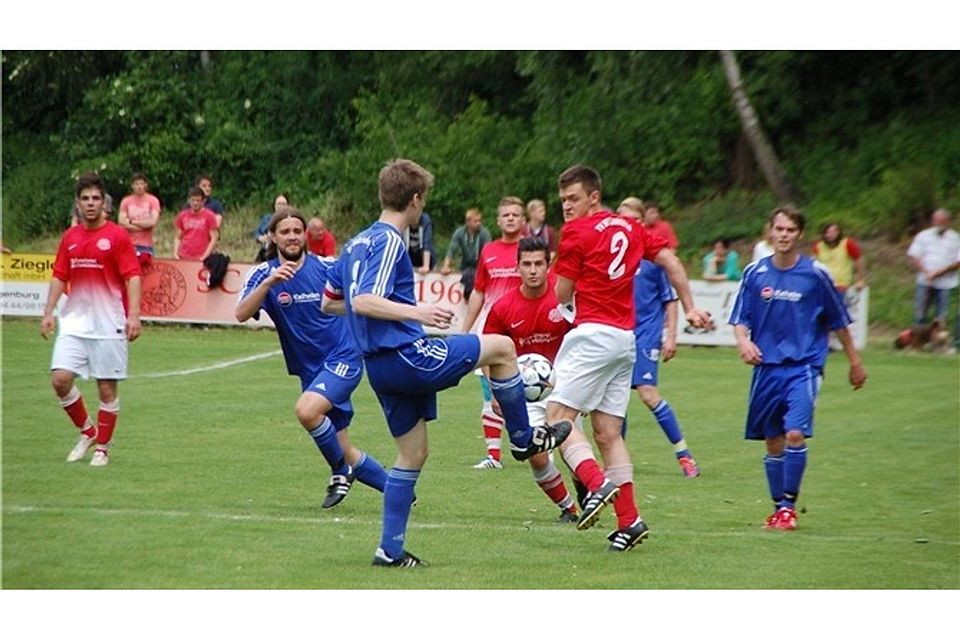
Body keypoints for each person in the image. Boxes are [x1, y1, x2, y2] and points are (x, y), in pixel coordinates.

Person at [321, 159, 571, 568]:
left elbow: (331, 302)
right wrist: (416, 313)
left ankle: (390, 550)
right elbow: (364, 299)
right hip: (406, 357)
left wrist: (381, 315)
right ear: (415, 199)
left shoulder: (355, 244)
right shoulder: (387, 241)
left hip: (380, 368)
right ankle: (524, 439)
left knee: (413, 453)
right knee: (503, 347)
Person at [547, 164, 710, 551]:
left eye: (573, 199)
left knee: (557, 420)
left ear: (594, 197)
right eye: (563, 201)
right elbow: (670, 259)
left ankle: (596, 484)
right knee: (607, 433)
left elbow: (562, 292)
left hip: (593, 335)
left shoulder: (576, 232)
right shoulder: (631, 227)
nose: (567, 207)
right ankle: (630, 521)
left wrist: (564, 299)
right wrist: (689, 307)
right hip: (624, 340)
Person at [236, 207, 388, 509]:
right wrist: (268, 285)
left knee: (306, 412)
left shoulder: (328, 267)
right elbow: (241, 314)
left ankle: (339, 473)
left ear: (304, 235)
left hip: (344, 357)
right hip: (310, 370)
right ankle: (399, 492)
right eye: (285, 232)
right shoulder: (263, 274)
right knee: (343, 447)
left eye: (297, 231)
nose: (292, 237)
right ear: (273, 237)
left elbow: (362, 296)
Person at [729, 205, 867, 531]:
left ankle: (789, 508)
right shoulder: (755, 273)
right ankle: (779, 508)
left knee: (794, 433)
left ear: (800, 234)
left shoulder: (815, 275)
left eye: (791, 230)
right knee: (773, 440)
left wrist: (855, 362)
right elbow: (740, 319)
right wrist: (743, 343)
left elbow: (839, 322)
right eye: (779, 229)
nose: (784, 235)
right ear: (770, 231)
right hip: (766, 368)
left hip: (804, 367)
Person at [40, 172, 142, 467]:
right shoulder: (70, 237)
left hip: (109, 323)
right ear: (77, 203)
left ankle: (103, 449)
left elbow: (133, 276)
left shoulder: (117, 236)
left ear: (103, 202)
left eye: (95, 198)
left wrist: (134, 316)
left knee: (106, 389)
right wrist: (48, 312)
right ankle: (88, 432)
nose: (90, 203)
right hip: (74, 323)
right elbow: (60, 275)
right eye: (85, 199)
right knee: (60, 380)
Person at [483, 236, 579, 522]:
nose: (533, 270)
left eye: (539, 263)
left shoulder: (564, 300)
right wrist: (495, 393)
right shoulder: (503, 307)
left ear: (549, 265)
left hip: (566, 385)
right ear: (518, 267)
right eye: (527, 264)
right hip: (524, 393)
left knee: (571, 448)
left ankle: (585, 483)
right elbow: (489, 352)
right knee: (533, 453)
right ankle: (568, 508)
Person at [619, 202, 700, 477]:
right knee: (615, 399)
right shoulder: (612, 257)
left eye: (633, 220)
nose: (628, 225)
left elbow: (670, 300)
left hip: (646, 335)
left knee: (648, 394)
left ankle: (684, 455)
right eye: (623, 219)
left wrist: (671, 337)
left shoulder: (653, 259)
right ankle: (619, 458)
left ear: (642, 223)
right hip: (618, 336)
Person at [460, 196, 526, 470]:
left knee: (532, 389)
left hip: (524, 329)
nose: (510, 218)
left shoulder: (530, 251)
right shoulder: (489, 250)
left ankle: (538, 444)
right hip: (493, 330)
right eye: (505, 215)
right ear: (498, 221)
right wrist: (465, 330)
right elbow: (479, 291)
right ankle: (493, 456)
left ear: (523, 220)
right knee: (491, 393)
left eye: (515, 214)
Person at [907, 209, 959, 338]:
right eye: (935, 220)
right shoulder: (923, 235)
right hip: (925, 281)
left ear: (948, 222)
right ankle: (917, 341)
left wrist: (938, 273)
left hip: (946, 283)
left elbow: (958, 261)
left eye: (941, 221)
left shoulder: (955, 238)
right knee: (920, 313)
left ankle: (939, 342)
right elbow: (914, 256)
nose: (938, 223)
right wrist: (927, 273)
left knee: (941, 315)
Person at [440, 207, 491, 301]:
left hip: (480, 266)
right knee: (466, 277)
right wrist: (445, 266)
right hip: (465, 265)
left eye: (480, 221)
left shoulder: (484, 233)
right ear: (468, 222)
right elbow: (451, 250)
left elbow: (488, 253)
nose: (478, 223)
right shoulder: (460, 233)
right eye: (475, 221)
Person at [117, 172, 161, 264]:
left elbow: (152, 222)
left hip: (146, 246)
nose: (139, 186)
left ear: (145, 185)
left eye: (141, 183)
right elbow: (121, 221)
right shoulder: (126, 201)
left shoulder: (153, 200)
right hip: (129, 244)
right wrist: (143, 226)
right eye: (136, 184)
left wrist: (131, 222)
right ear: (132, 186)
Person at [812, 222, 866, 295]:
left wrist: (860, 279)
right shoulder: (818, 247)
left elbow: (858, 259)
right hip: (823, 285)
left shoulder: (847, 244)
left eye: (832, 232)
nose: (829, 235)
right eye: (827, 232)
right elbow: (814, 264)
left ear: (838, 232)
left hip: (841, 285)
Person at [174, 187, 220, 261]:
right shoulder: (182, 215)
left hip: (202, 258)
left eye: (198, 200)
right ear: (189, 200)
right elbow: (177, 237)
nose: (195, 203)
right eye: (193, 200)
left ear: (203, 201)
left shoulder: (210, 216)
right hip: (184, 256)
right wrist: (175, 253)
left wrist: (205, 256)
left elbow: (214, 238)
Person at [253, 194, 289, 262]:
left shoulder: (290, 220)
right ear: (274, 206)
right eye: (279, 204)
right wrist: (260, 238)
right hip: (266, 251)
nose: (281, 206)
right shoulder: (266, 218)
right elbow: (256, 232)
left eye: (283, 204)